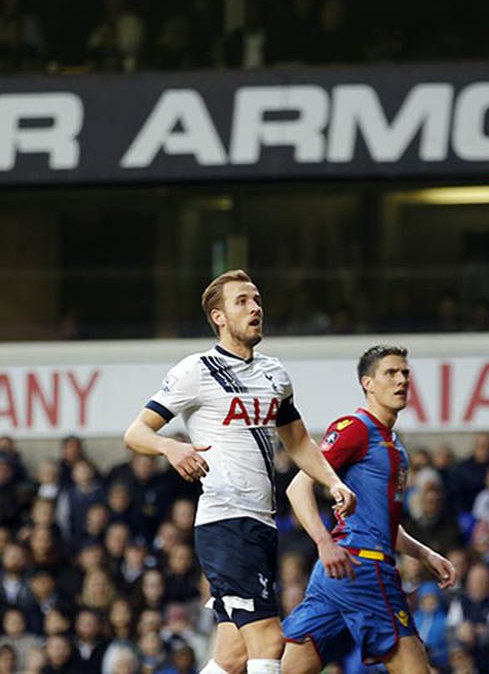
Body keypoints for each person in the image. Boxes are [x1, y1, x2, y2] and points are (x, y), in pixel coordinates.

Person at [123, 269, 358, 674]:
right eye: (242, 301)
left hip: (261, 525)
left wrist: (333, 481)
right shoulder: (196, 369)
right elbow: (136, 432)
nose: (255, 308)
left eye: (257, 300)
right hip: (226, 521)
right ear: (218, 317)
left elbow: (299, 443)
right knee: (268, 639)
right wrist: (170, 447)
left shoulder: (275, 374)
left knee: (232, 656)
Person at [282, 345, 458, 673]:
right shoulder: (356, 429)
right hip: (363, 568)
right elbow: (298, 486)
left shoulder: (395, 447)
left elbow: (385, 526)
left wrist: (425, 555)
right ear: (368, 384)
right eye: (390, 373)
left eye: (405, 372)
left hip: (337, 576)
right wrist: (324, 543)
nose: (402, 379)